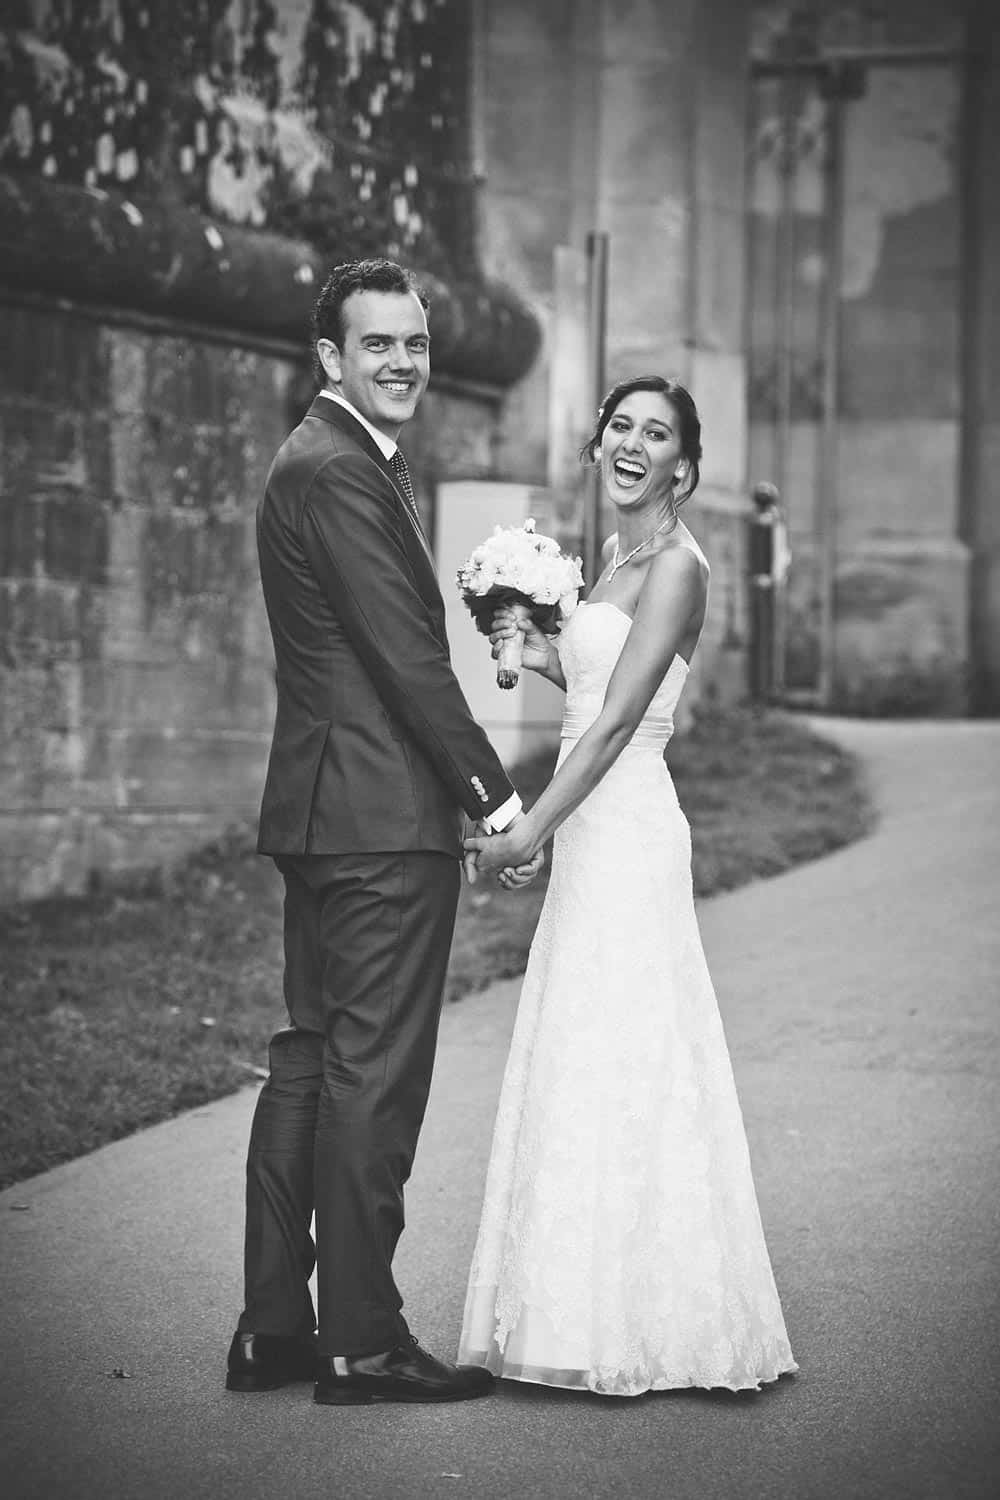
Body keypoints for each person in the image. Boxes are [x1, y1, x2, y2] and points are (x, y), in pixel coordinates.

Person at [226, 258, 543, 1408]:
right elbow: (406, 664)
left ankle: (273, 1333)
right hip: (378, 820)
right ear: (330, 358)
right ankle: (361, 1339)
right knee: (374, 1077)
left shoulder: (328, 458)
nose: (405, 361)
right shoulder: (338, 470)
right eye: (379, 345)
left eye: (415, 342)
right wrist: (493, 795)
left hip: (325, 813)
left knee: (311, 1059)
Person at [460, 375, 798, 1396]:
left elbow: (619, 728)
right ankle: (571, 1307)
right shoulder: (613, 559)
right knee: (578, 1040)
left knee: (634, 1046)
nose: (633, 443)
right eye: (620, 426)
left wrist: (527, 834)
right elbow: (593, 693)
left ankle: (652, 1315)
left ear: (684, 467)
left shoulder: (682, 568)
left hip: (628, 825)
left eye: (656, 433)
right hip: (590, 820)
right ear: (595, 443)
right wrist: (522, 637)